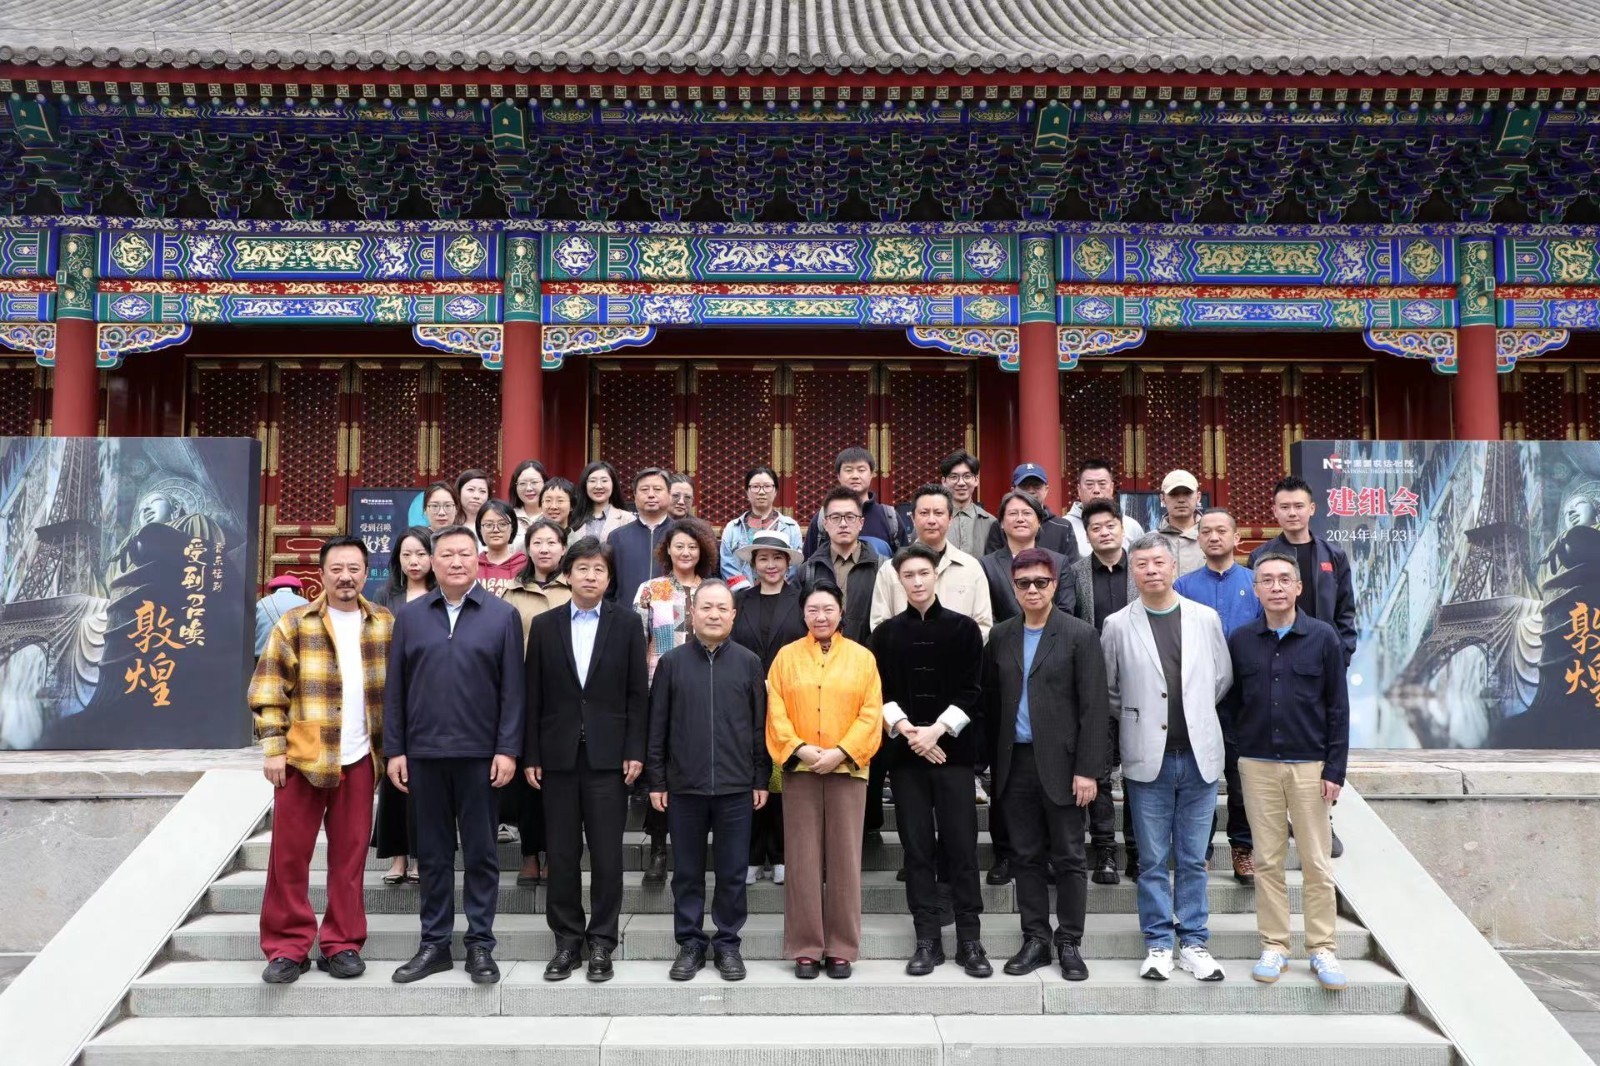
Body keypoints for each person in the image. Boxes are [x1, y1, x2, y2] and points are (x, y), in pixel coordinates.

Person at [383, 525, 525, 986]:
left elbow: (513, 691)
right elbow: (396, 689)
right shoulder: (411, 616)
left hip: (480, 755)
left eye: (465, 553)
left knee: (482, 853)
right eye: (446, 555)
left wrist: (507, 749)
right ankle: (434, 944)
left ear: (476, 559)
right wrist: (395, 750)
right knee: (433, 853)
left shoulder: (501, 615)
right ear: (432, 561)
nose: (456, 562)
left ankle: (480, 944)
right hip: (423, 755)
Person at [250, 537, 391, 985]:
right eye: (337, 569)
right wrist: (274, 749)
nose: (346, 577)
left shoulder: (384, 624)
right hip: (303, 758)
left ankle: (342, 944)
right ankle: (287, 947)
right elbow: (268, 689)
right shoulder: (295, 623)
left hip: (359, 758)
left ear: (366, 573)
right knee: (289, 858)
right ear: (322, 574)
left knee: (350, 858)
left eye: (354, 568)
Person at [1102, 533, 1232, 983]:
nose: (1152, 571)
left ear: (1174, 567)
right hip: (1146, 756)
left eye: (1159, 562)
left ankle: (1194, 942)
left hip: (1198, 755)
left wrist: (1193, 713)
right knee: (1153, 859)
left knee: (1193, 857)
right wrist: (1142, 716)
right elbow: (1111, 689)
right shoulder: (1118, 624)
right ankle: (1158, 943)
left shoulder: (1204, 618)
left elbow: (1222, 677)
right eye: (1142, 565)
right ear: (1133, 572)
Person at [524, 537, 649, 983]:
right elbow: (533, 694)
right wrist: (531, 753)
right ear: (568, 574)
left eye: (599, 569)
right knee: (561, 854)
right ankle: (567, 942)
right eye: (583, 568)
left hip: (609, 758)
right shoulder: (545, 625)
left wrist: (635, 750)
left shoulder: (627, 624)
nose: (591, 576)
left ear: (609, 578)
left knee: (607, 855)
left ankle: (601, 943)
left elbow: (637, 694)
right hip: (556, 757)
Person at [1223, 553, 1349, 991]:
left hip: (1310, 766)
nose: (1275, 587)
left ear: (1298, 588)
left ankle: (1322, 947)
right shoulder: (1241, 639)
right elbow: (1232, 702)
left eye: (1283, 580)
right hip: (1257, 765)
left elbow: (1338, 707)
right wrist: (1241, 749)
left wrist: (1335, 768)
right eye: (1266, 580)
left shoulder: (1323, 637)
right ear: (1255, 590)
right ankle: (1274, 944)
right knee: (1267, 860)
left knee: (1315, 861)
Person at [982, 548, 1108, 982]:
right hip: (1014, 762)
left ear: (1054, 585)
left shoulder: (1079, 634)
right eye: (1024, 583)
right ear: (1014, 588)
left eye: (1041, 582)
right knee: (1025, 856)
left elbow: (1094, 707)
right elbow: (990, 701)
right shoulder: (1001, 635)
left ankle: (1069, 940)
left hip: (1065, 765)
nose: (1032, 590)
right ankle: (1035, 937)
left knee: (1069, 856)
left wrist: (1088, 769)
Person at [871, 543, 990, 978]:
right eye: (909, 575)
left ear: (935, 575)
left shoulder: (964, 629)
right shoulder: (885, 634)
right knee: (917, 849)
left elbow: (973, 689)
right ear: (899, 580)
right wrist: (910, 732)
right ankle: (927, 940)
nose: (917, 581)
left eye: (924, 573)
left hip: (953, 754)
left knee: (961, 846)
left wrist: (937, 731)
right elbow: (879, 691)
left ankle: (970, 940)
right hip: (906, 758)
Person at [648, 580, 770, 983]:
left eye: (722, 608)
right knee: (687, 872)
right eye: (706, 607)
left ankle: (728, 943)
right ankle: (690, 943)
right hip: (685, 787)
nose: (714, 614)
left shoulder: (749, 663)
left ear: (733, 615)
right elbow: (657, 726)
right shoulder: (672, 663)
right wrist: (657, 780)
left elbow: (759, 726)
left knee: (733, 871)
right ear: (692, 612)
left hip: (737, 787)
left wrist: (760, 777)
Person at [767, 581, 884, 980]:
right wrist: (799, 748)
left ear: (840, 612)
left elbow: (871, 712)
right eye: (813, 609)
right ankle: (805, 947)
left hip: (848, 768)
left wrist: (842, 751)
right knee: (802, 860)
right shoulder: (786, 657)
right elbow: (776, 710)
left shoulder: (862, 658)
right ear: (803, 614)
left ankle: (841, 948)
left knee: (845, 860)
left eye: (828, 609)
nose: (821, 616)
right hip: (800, 768)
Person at [1248, 475, 1356, 858]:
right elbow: (1254, 613)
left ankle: (1324, 818)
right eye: (1285, 507)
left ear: (1312, 509)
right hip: (1277, 661)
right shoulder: (1262, 556)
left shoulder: (1333, 556)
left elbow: (1345, 613)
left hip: (1321, 662)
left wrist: (1340, 656)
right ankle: (1283, 819)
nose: (1292, 513)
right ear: (1274, 511)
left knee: (1322, 739)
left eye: (1298, 506)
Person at [1174, 508, 1262, 885]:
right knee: (1200, 778)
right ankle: (1201, 851)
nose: (1213, 536)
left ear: (1236, 537)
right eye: (1206, 531)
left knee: (1242, 780)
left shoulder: (1255, 583)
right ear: (1198, 539)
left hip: (1246, 700)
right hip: (1200, 699)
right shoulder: (1183, 586)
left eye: (1221, 530)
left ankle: (1243, 848)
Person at [730, 531, 807, 886]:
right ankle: (751, 853)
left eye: (777, 558)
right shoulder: (740, 600)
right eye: (763, 558)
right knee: (751, 773)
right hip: (745, 699)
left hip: (790, 699)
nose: (770, 565)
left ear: (788, 563)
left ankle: (781, 853)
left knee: (783, 774)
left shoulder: (801, 599)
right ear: (753, 563)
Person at [500, 517, 573, 888]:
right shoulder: (512, 592)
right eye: (537, 542)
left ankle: (556, 854)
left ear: (563, 548)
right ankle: (530, 854)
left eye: (551, 542)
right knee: (527, 780)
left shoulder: (574, 588)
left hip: (566, 696)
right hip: (525, 694)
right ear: (527, 548)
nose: (544, 549)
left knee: (560, 779)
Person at [1070, 497, 1140, 883]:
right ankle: (1105, 851)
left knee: (1136, 770)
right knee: (1098, 769)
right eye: (1095, 528)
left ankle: (1137, 851)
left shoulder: (1142, 566)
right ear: (1087, 535)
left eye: (1110, 525)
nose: (1104, 532)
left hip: (1138, 684)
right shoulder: (1076, 573)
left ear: (1122, 527)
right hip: (1093, 685)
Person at [370, 527, 433, 885]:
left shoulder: (441, 595)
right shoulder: (385, 595)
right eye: (407, 554)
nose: (414, 561)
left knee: (424, 782)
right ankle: (398, 858)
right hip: (392, 694)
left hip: (429, 696)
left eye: (421, 554)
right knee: (394, 781)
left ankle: (422, 857)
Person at [869, 484, 993, 641]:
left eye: (939, 513)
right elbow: (879, 625)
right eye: (924, 513)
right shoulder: (891, 569)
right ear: (913, 519)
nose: (931, 520)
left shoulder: (971, 567)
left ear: (950, 519)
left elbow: (983, 625)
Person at [795, 486, 885, 644]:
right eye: (835, 517)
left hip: (867, 655)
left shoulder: (881, 567)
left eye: (850, 517)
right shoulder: (808, 570)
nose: (843, 524)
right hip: (819, 656)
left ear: (861, 523)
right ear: (825, 523)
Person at [982, 490, 1075, 624]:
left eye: (1027, 513)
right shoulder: (986, 565)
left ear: (1039, 521)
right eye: (1013, 513)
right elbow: (987, 615)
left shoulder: (1059, 562)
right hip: (1003, 636)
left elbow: (1065, 610)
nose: (1020, 519)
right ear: (1001, 523)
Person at [800, 446, 904, 558]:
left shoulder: (890, 518)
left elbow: (904, 561)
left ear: (871, 475)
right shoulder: (823, 517)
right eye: (848, 470)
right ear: (838, 476)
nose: (855, 476)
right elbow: (808, 562)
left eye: (861, 470)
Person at [720, 465, 803, 585]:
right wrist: (745, 591)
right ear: (747, 492)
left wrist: (780, 589)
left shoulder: (791, 527)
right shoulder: (733, 528)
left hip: (782, 593)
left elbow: (795, 567)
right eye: (755, 487)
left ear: (775, 491)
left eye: (767, 486)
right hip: (742, 594)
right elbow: (727, 566)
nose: (761, 492)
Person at [982, 463, 1082, 558]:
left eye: (1036, 485)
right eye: (1024, 485)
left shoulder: (1063, 526)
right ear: (1013, 490)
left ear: (1046, 489)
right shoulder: (1002, 524)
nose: (1031, 490)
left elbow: (1071, 565)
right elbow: (993, 563)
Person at [608, 466, 676, 603]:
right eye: (644, 490)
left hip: (672, 613)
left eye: (657, 489)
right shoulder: (617, 537)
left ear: (669, 494)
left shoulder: (682, 533)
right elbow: (609, 585)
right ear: (634, 495)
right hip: (627, 613)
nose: (651, 495)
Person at [1061, 458, 1146, 553]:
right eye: (1089, 484)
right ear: (1079, 489)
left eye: (1102, 484)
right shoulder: (1063, 526)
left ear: (1112, 487)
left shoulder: (1131, 526)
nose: (1096, 490)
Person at [940, 450, 996, 559]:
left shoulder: (990, 522)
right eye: (954, 477)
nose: (961, 483)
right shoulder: (931, 520)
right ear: (944, 482)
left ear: (976, 480)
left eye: (967, 476)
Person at [1156, 470, 1206, 576]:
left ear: (1198, 497)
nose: (1181, 500)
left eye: (1187, 493)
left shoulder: (1212, 538)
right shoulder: (1151, 540)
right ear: (1162, 499)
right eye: (1173, 494)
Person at [574, 460, 635, 545]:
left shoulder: (627, 519)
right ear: (585, 485)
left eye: (604, 481)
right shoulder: (574, 518)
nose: (598, 486)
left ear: (613, 484)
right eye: (592, 481)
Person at [476, 499, 527, 598]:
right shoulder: (472, 565)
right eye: (489, 525)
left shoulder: (525, 566)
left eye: (503, 524)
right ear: (480, 529)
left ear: (512, 528)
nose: (495, 530)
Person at [254, 575, 309, 657]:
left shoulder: (261, 604)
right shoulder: (306, 604)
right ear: (297, 591)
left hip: (263, 657)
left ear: (272, 590)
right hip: (296, 658)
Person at [509, 459, 548, 535]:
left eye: (534, 482)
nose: (528, 488)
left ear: (545, 483)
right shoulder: (508, 517)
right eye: (522, 483)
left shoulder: (553, 515)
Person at [455, 469, 492, 534]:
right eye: (471, 489)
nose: (476, 496)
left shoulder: (494, 525)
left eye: (482, 491)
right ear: (459, 491)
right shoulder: (448, 522)